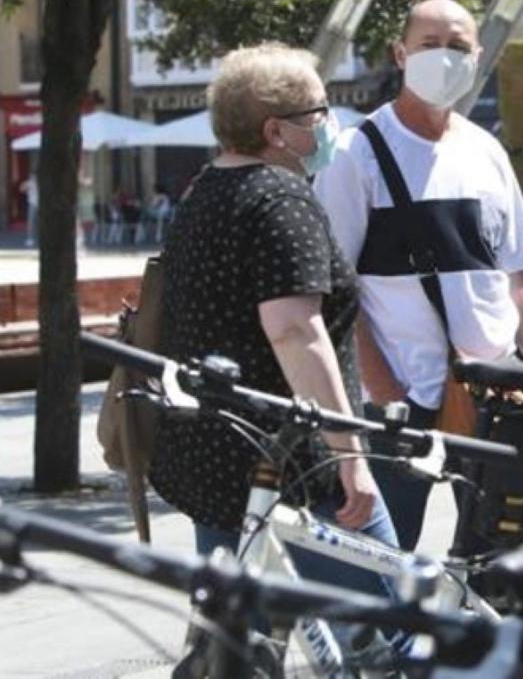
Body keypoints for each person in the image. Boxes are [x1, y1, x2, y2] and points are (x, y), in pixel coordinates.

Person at [148, 43, 410, 657]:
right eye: (318, 111)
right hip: (294, 463)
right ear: (276, 131)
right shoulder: (281, 200)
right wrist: (352, 457)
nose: (329, 123)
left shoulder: (205, 191)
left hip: (212, 456)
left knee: (237, 646)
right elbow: (295, 331)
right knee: (398, 631)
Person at [313, 0, 523, 551]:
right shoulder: (355, 154)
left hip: (494, 395)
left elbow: (517, 281)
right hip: (398, 403)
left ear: (478, 55)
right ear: (400, 53)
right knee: (383, 563)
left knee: (502, 560)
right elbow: (333, 294)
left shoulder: (486, 150)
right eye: (430, 45)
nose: (445, 59)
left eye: (458, 47)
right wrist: (383, 386)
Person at [20, 172, 37, 246]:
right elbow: (21, 189)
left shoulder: (42, 182)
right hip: (32, 204)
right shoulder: (29, 183)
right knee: (31, 222)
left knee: (40, 221)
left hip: (41, 204)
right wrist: (26, 185)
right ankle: (30, 238)